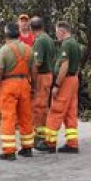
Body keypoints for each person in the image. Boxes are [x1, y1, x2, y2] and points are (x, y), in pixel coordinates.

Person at [0, 22, 36, 161]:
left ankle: (9, 151)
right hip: (25, 84)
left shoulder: (4, 50)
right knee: (26, 116)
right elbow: (34, 70)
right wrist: (33, 86)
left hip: (9, 84)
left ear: (6, 35)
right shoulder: (28, 49)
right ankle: (27, 148)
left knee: (8, 117)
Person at [35, 21, 81, 154]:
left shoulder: (67, 44)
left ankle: (49, 142)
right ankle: (72, 143)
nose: (56, 35)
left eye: (56, 32)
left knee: (56, 110)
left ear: (62, 31)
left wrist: (57, 84)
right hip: (73, 79)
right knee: (70, 112)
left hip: (66, 81)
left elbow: (64, 66)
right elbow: (76, 66)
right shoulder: (76, 44)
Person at [30, 16, 55, 144]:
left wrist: (33, 82)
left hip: (42, 76)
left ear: (31, 29)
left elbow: (37, 63)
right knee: (44, 106)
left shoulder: (39, 41)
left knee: (39, 106)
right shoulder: (49, 39)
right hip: (48, 75)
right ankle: (43, 133)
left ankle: (39, 136)